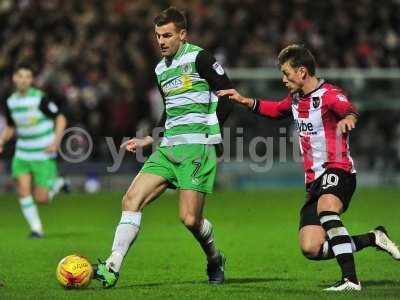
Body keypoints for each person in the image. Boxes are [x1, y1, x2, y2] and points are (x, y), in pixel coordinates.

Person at [217, 44, 400, 291]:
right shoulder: (295, 99)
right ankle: (373, 238)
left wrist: (348, 119)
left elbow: (349, 109)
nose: (283, 79)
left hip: (339, 170)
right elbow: (275, 110)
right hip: (314, 181)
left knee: (327, 208)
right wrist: (244, 101)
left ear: (302, 72)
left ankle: (350, 280)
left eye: (286, 73)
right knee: (312, 247)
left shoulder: (329, 94)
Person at [93, 7, 233, 288]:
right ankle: (112, 265)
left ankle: (215, 258)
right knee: (131, 200)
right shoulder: (160, 70)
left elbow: (228, 96)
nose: (162, 41)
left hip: (196, 149)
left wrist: (211, 135)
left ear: (182, 34)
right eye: (158, 35)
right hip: (168, 149)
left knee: (190, 220)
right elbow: (169, 112)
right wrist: (150, 138)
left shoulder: (200, 58)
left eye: (167, 35)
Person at [0, 62, 68, 238]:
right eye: (20, 76)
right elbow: (10, 126)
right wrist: (1, 140)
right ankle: (36, 229)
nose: (23, 80)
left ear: (31, 80)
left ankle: (57, 184)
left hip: (43, 152)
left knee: (42, 199)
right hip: (22, 153)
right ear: (15, 78)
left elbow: (60, 118)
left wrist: (55, 141)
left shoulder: (40, 98)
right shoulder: (10, 101)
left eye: (27, 77)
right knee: (22, 191)